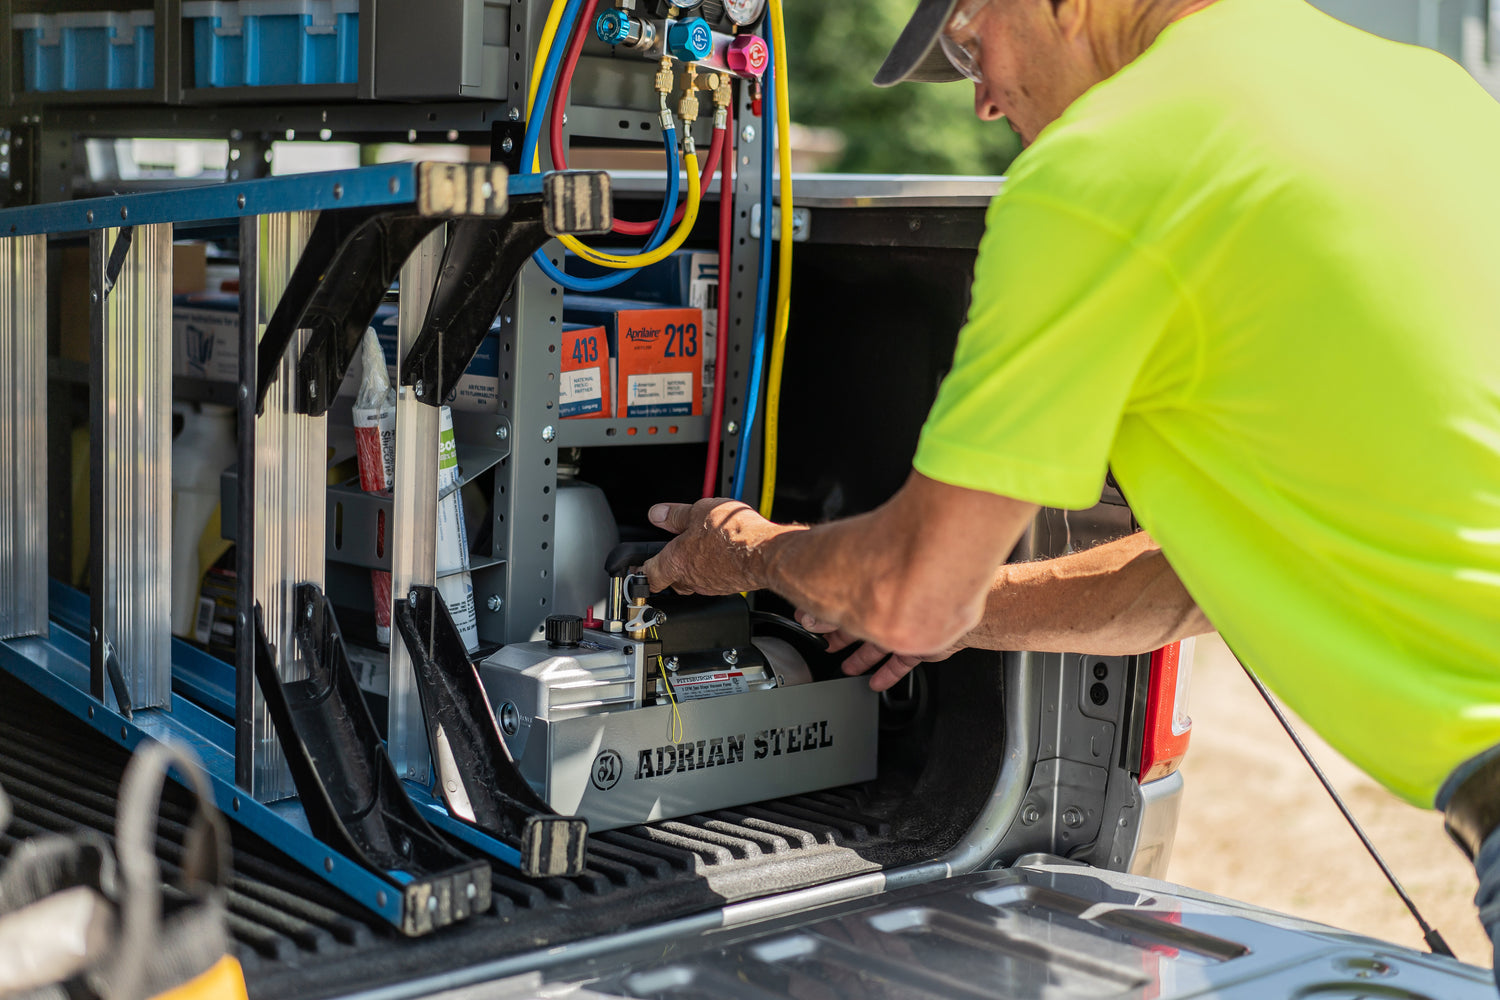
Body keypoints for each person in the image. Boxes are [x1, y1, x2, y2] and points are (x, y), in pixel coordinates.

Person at [642, 0, 1500, 982]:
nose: (979, 99)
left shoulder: (1110, 166)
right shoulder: (1429, 95)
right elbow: (1201, 576)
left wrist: (745, 552)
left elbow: (908, 592)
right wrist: (963, 610)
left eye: (970, 40)